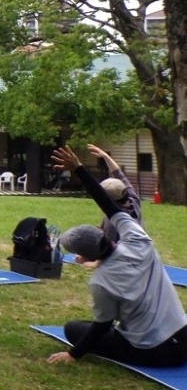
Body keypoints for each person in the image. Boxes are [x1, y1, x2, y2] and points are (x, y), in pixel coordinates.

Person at [46, 145, 187, 368]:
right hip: (183, 337)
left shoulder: (102, 281)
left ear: (84, 255)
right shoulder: (139, 240)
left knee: (73, 328)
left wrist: (73, 354)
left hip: (155, 351)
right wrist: (80, 169)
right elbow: (108, 204)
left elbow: (102, 326)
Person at [87, 144, 143, 244]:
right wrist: (105, 156)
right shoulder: (133, 200)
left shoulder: (115, 222)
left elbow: (109, 248)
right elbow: (118, 173)